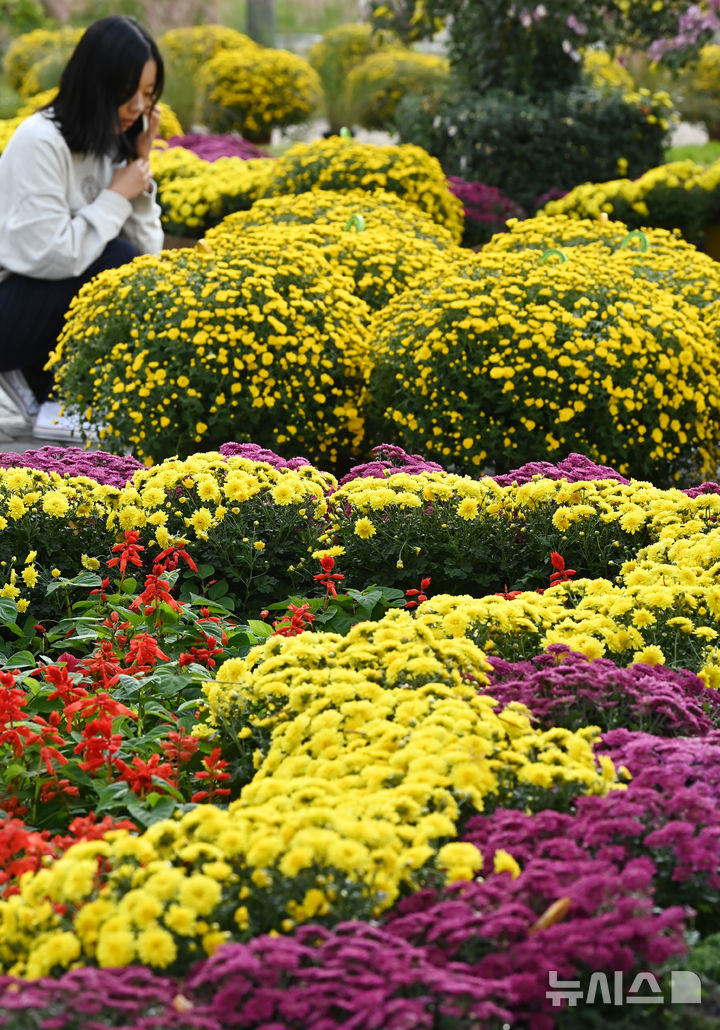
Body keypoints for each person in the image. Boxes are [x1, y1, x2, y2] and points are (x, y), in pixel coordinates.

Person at [0, 15, 165, 441]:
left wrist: (138, 170)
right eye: (129, 92)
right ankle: (25, 373)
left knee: (126, 262)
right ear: (97, 85)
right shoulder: (41, 141)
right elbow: (53, 255)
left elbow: (148, 258)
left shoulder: (109, 144)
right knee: (115, 258)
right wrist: (114, 196)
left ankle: (52, 393)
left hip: (42, 305)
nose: (137, 108)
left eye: (148, 96)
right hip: (10, 307)